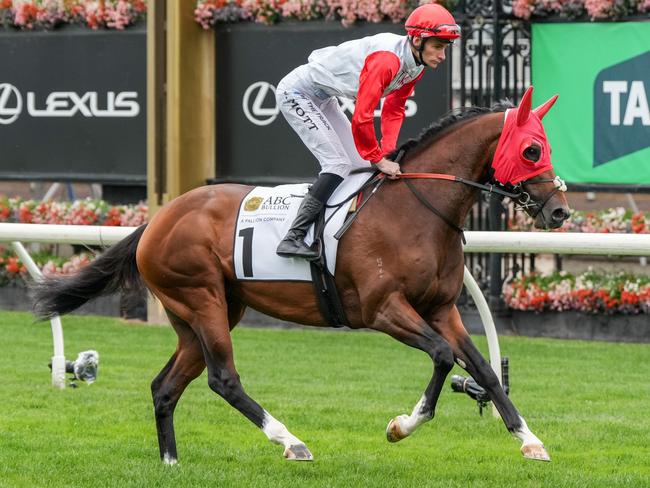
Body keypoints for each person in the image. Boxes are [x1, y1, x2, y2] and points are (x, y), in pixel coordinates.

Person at [275, 3, 460, 259]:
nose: (442, 55)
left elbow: (394, 109)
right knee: (338, 164)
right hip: (297, 92)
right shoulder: (387, 61)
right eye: (438, 47)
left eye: (445, 48)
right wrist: (378, 159)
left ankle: (332, 231)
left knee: (357, 165)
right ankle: (293, 236)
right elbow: (362, 117)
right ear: (418, 40)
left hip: (325, 96)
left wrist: (388, 153)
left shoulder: (415, 65)